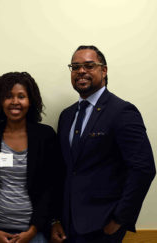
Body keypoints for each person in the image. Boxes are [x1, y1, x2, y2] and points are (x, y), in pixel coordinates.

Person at [51, 45, 155, 243]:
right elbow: (63, 170)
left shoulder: (122, 112)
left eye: (89, 66)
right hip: (68, 224)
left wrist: (119, 219)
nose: (81, 71)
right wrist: (55, 219)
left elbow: (143, 169)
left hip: (103, 226)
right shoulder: (67, 115)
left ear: (104, 70)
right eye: (75, 67)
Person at [0, 72, 62, 243]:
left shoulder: (45, 136)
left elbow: (52, 187)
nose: (15, 102)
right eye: (8, 96)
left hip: (34, 232)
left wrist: (33, 230)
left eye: (21, 96)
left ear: (31, 101)